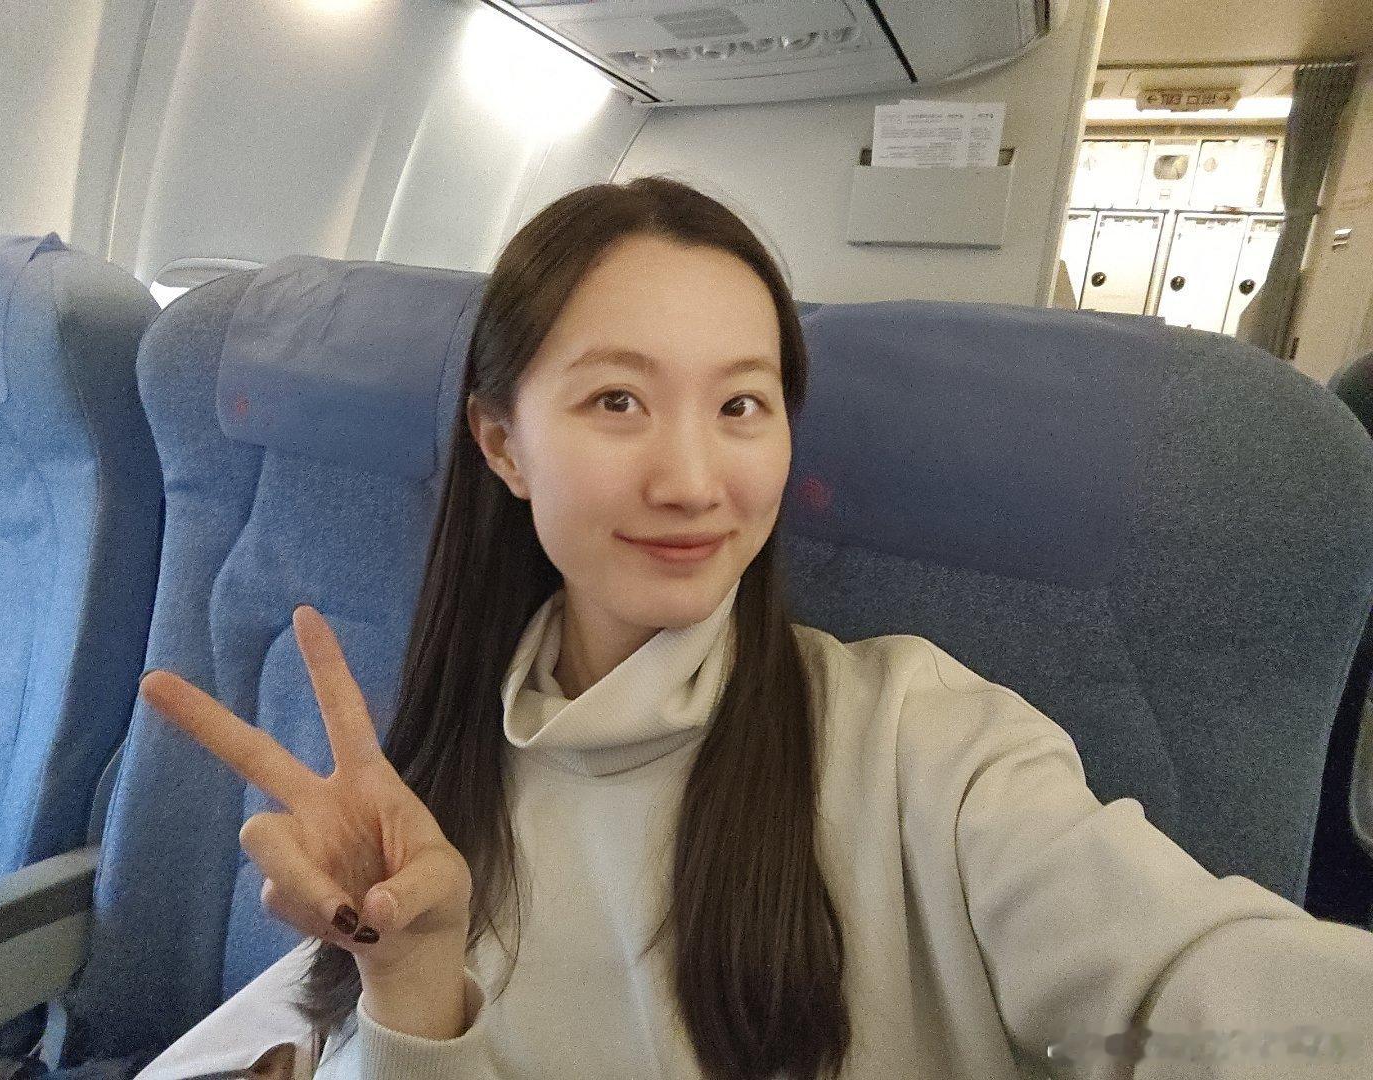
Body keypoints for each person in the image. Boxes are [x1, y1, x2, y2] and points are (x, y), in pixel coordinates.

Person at [134, 176, 1373, 1080]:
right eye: (617, 400)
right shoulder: (441, 770)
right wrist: (411, 979)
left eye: (741, 405)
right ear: (502, 442)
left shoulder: (920, 740)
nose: (692, 482)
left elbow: (1187, 979)